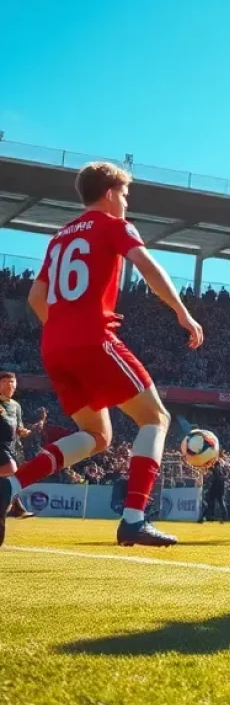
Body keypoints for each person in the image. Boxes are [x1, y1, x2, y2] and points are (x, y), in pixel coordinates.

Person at [0, 161, 204, 548]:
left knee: (96, 435)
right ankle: (134, 519)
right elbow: (148, 267)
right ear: (110, 193)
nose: (126, 202)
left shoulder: (59, 237)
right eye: (125, 194)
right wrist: (183, 312)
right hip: (93, 339)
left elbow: (34, 297)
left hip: (54, 347)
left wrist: (62, 329)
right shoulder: (114, 225)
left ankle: (8, 486)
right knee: (156, 418)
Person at [0, 373, 47, 519]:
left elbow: (19, 429)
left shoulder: (16, 406)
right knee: (11, 471)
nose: (10, 384)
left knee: (9, 478)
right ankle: (17, 508)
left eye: (12, 382)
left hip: (11, 447)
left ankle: (17, 508)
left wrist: (30, 429)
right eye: (5, 381)